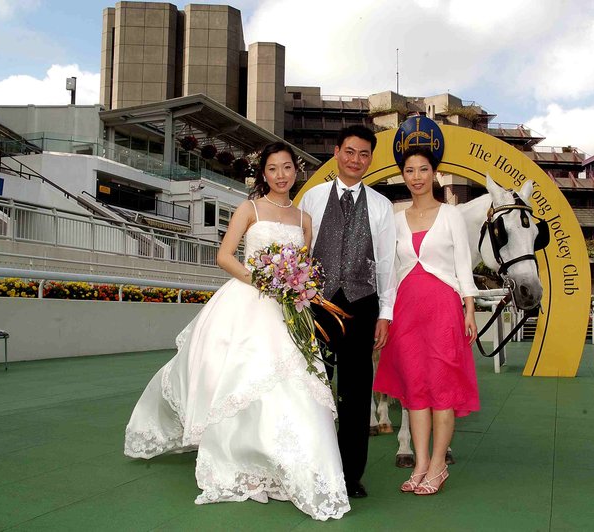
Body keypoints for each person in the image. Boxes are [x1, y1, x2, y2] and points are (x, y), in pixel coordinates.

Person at [123, 142, 350, 521]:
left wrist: (294, 286)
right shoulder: (250, 209)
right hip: (249, 302)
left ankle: (287, 466)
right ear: (263, 173)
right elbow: (224, 256)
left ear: (296, 171)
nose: (281, 175)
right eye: (273, 168)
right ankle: (242, 462)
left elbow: (304, 267)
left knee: (294, 386)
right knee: (243, 379)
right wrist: (263, 280)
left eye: (287, 167)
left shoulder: (304, 219)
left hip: (289, 311)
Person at [373, 146, 480, 496]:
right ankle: (420, 465)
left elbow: (463, 264)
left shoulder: (451, 215)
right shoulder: (396, 219)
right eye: (409, 170)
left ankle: (437, 466)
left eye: (423, 169)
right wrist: (386, 315)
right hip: (406, 313)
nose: (416, 177)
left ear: (434, 173)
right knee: (415, 391)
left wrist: (469, 308)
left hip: (443, 310)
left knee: (442, 388)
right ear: (402, 175)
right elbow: (389, 272)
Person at [298, 125, 397, 499]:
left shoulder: (382, 206)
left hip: (362, 303)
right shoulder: (311, 198)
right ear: (337, 152)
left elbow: (386, 262)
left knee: (356, 395)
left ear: (371, 159)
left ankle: (350, 474)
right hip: (317, 305)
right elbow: (301, 252)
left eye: (364, 154)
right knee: (314, 388)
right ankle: (313, 466)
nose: (356, 160)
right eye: (350, 152)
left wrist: (385, 313)